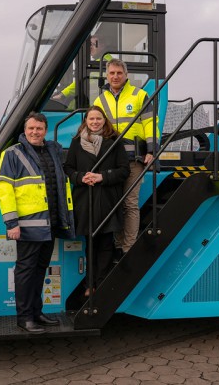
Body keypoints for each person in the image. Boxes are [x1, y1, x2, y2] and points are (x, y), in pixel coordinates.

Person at [0, 112, 75, 334]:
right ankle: (24, 317)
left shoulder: (53, 151)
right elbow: (3, 189)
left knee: (40, 269)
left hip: (51, 223)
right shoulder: (12, 154)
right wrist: (12, 223)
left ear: (45, 130)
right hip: (28, 225)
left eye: (39, 128)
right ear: (25, 129)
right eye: (31, 128)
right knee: (25, 270)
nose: (35, 132)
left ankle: (37, 312)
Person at [93, 58, 159, 255]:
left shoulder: (139, 95)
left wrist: (152, 150)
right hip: (110, 160)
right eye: (112, 73)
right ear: (107, 75)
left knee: (130, 203)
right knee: (114, 204)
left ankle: (128, 249)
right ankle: (118, 243)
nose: (115, 76)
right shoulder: (100, 100)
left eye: (119, 73)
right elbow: (95, 127)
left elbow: (150, 123)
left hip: (133, 159)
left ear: (126, 75)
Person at [64, 106, 129, 295]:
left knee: (106, 244)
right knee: (90, 244)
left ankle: (100, 285)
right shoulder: (76, 142)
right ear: (86, 121)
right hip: (85, 200)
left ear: (104, 120)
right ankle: (89, 285)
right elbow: (68, 168)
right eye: (91, 119)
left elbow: (124, 170)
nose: (94, 122)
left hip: (108, 199)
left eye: (98, 119)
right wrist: (81, 177)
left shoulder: (115, 141)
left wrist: (102, 177)